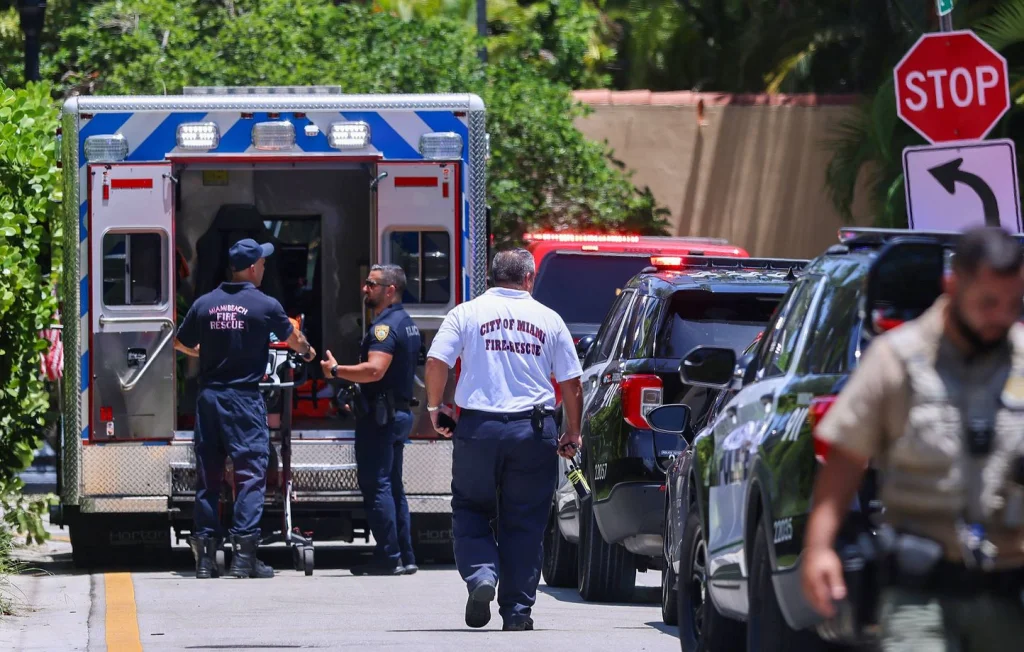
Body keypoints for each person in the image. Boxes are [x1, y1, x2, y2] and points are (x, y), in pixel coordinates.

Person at [801, 226, 1024, 649]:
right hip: (920, 589)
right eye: (988, 302)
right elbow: (846, 460)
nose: (1000, 317)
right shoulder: (897, 359)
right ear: (952, 285)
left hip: (1008, 592)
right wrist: (819, 548)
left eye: (1013, 304)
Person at [424, 248, 584, 631]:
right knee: (525, 521)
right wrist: (572, 432)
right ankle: (516, 612)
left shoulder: (466, 313)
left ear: (491, 277)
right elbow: (572, 383)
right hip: (533, 430)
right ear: (529, 279)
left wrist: (435, 408)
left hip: (478, 428)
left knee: (470, 507)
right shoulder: (550, 319)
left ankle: (481, 576)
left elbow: (435, 362)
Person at [175, 238, 316, 579]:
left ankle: (206, 561)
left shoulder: (205, 303)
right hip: (243, 399)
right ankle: (243, 559)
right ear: (252, 268)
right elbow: (293, 339)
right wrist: (309, 353)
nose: (265, 267)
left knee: (208, 478)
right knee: (250, 475)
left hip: (210, 398)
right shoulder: (266, 305)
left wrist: (203, 355)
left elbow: (179, 341)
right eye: (263, 263)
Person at [320, 264, 421, 576]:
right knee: (393, 486)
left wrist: (336, 371)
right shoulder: (407, 322)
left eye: (372, 284)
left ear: (390, 290)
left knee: (376, 485)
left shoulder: (384, 328)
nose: (365, 289)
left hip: (381, 418)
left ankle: (388, 556)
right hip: (396, 412)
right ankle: (405, 556)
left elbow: (375, 370)